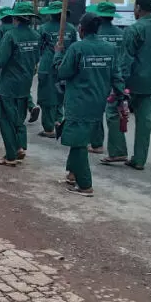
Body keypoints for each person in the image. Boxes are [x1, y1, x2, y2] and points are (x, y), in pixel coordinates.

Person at [55, 13, 124, 196]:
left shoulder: (78, 48)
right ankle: (72, 175)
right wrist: (121, 98)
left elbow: (63, 73)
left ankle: (85, 185)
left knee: (78, 143)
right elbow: (116, 76)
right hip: (97, 103)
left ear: (81, 29)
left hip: (78, 103)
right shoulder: (110, 49)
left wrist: (57, 54)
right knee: (80, 139)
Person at [102, 0, 151, 170]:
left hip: (133, 82)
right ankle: (139, 160)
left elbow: (126, 59)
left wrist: (119, 85)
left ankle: (117, 151)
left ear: (137, 8)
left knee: (113, 111)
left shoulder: (134, 29)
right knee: (145, 121)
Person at [0, 2, 40, 166]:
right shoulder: (36, 36)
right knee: (19, 117)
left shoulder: (10, 36)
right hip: (25, 83)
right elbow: (36, 60)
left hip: (9, 83)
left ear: (16, 18)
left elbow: (0, 61)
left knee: (6, 120)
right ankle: (20, 147)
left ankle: (10, 155)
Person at [86, 1, 124, 154]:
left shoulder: (95, 35)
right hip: (116, 75)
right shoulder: (122, 34)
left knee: (95, 111)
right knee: (114, 113)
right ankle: (116, 149)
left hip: (97, 76)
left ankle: (97, 143)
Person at [37, 1, 78, 138]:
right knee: (60, 94)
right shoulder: (71, 29)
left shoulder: (43, 28)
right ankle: (58, 121)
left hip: (47, 66)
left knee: (47, 97)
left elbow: (39, 47)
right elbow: (73, 48)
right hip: (65, 65)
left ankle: (49, 128)